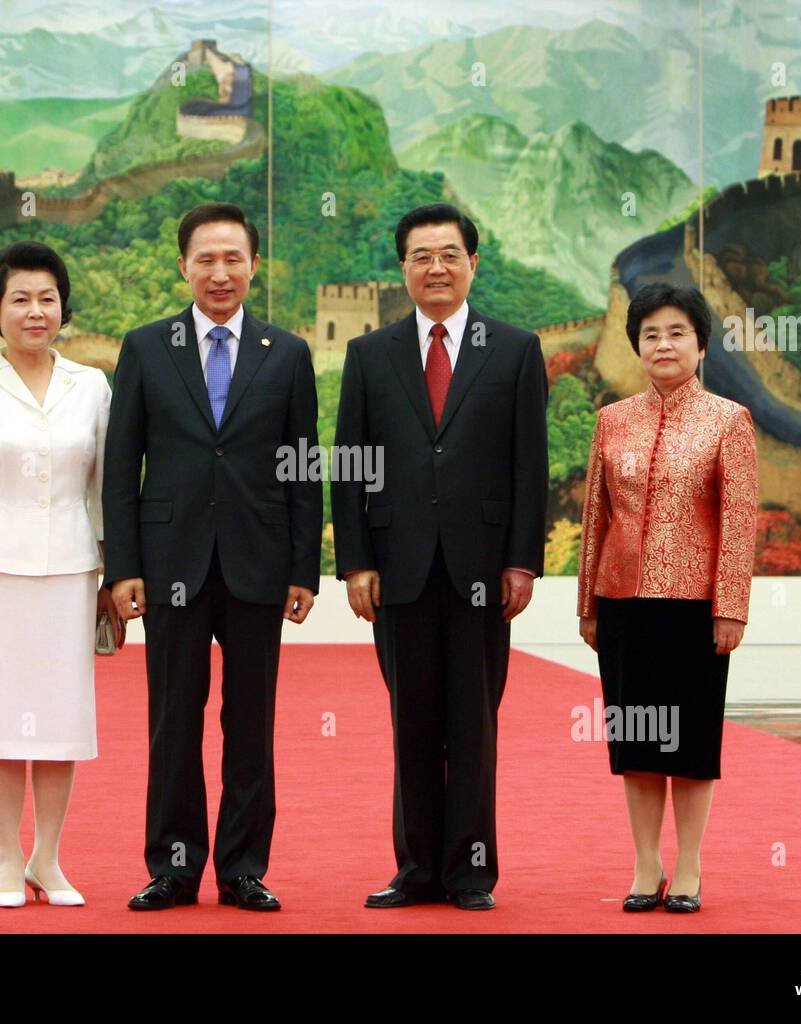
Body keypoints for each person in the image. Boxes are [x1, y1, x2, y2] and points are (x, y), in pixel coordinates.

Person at [100, 202, 321, 912]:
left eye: (234, 259)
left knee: (250, 723)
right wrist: (123, 567)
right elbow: (121, 465)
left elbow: (302, 465)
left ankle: (242, 869)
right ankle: (172, 868)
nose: (220, 273)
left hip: (260, 563)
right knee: (174, 721)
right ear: (183, 267)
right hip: (170, 562)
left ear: (254, 265)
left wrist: (303, 569)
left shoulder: (285, 354)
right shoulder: (145, 347)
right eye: (206, 259)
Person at [331, 203, 548, 910]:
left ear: (473, 263)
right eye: (421, 255)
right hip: (397, 570)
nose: (436, 267)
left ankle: (470, 871)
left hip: (484, 570)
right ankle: (416, 868)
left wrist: (523, 560)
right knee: (412, 721)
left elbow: (528, 466)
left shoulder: (513, 350)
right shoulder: (371, 355)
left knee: (474, 723)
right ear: (403, 267)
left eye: (450, 254)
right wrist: (356, 562)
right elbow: (351, 465)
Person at [0, 240, 116, 908]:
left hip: (72, 570)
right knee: (4, 720)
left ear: (63, 308)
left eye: (47, 299)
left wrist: (110, 574)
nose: (36, 312)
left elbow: (104, 491)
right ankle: (8, 859)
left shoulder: (90, 386)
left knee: (62, 720)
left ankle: (49, 857)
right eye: (21, 300)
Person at [576, 282, 758, 914]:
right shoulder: (611, 422)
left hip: (695, 607)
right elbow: (595, 518)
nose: (663, 344)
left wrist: (730, 606)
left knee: (690, 741)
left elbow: (737, 521)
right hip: (622, 601)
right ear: (637, 346)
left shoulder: (728, 421)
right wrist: (587, 606)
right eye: (650, 333)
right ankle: (645, 861)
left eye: (677, 332)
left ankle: (689, 865)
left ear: (701, 345)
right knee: (636, 742)